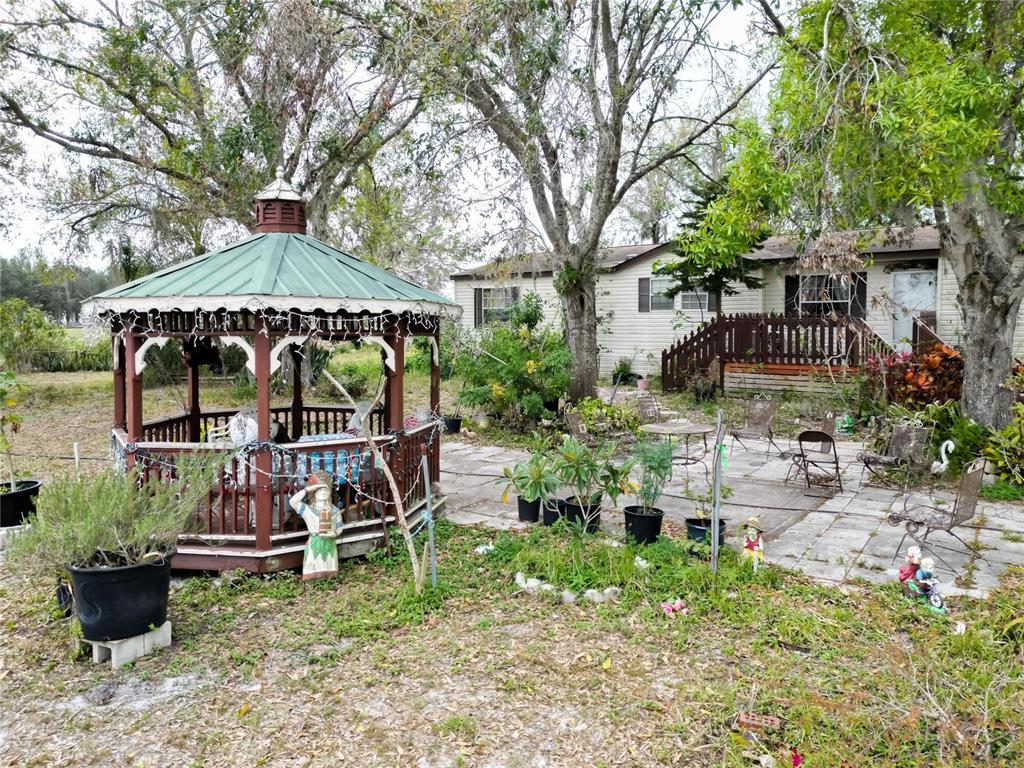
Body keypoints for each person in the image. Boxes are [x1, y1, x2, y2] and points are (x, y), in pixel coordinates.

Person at [289, 473, 343, 580]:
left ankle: (329, 581)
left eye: (325, 491)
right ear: (315, 494)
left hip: (330, 542)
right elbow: (293, 501)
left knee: (329, 565)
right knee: (312, 565)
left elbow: (339, 526)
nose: (323, 493)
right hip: (315, 540)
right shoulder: (308, 510)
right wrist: (308, 489)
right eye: (320, 491)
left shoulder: (335, 511)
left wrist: (335, 533)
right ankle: (312, 583)